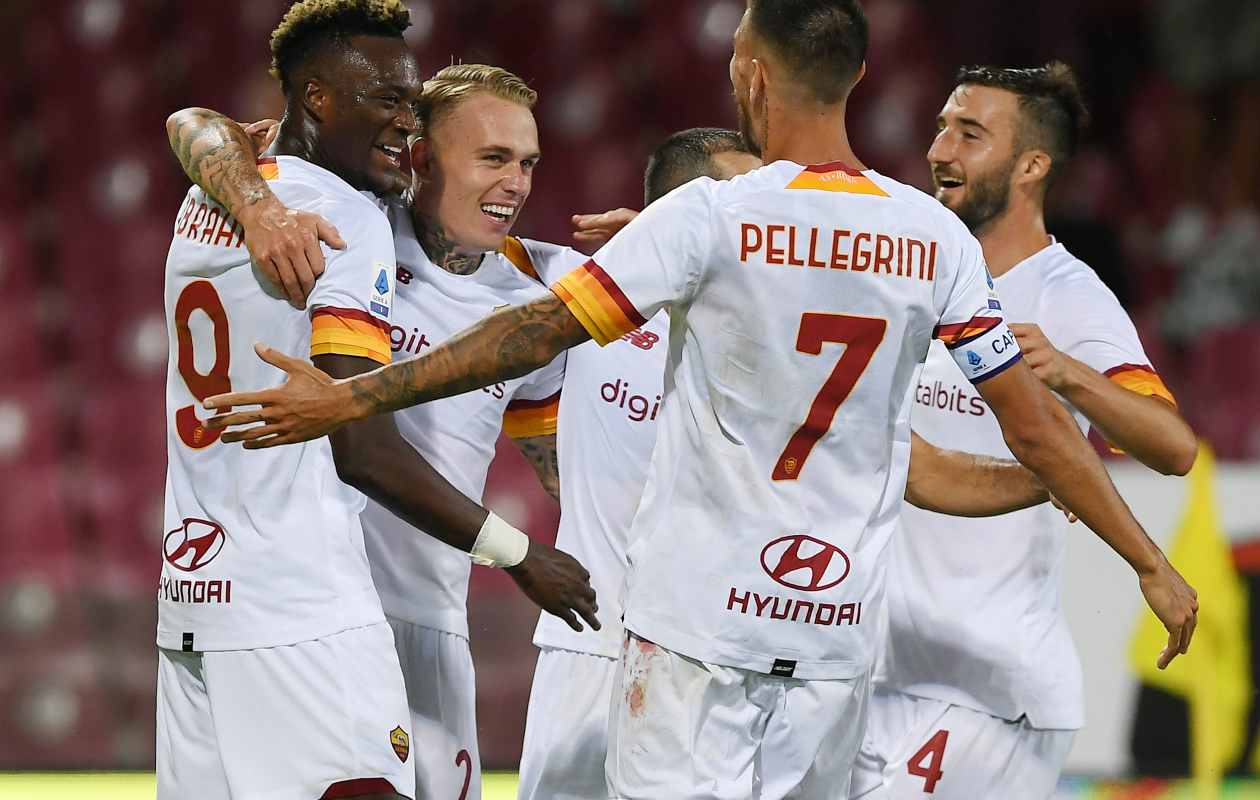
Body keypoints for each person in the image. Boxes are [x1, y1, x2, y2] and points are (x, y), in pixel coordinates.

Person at [201, 2, 1198, 796]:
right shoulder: (929, 239)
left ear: (753, 76)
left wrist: (356, 397)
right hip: (833, 644)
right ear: (857, 77)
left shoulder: (710, 219)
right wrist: (1150, 564)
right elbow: (1036, 425)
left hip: (697, 641)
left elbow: (535, 331)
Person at [518, 125, 1069, 799]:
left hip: (727, 651)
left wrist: (1050, 478)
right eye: (747, 191)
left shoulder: (782, 338)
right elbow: (472, 301)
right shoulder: (577, 293)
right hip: (596, 644)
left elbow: (922, 470)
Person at [165, 64, 599, 800]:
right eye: (492, 158)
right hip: (312, 612)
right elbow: (192, 123)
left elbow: (563, 471)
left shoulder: (538, 302)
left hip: (428, 624)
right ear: (420, 156)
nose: (517, 184)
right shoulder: (345, 225)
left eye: (528, 164)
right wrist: (255, 202)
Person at [849, 62, 1198, 799]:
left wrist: (1067, 372)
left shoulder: (1067, 295)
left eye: (969, 134)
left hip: (991, 689)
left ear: (1032, 165)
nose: (940, 150)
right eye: (941, 127)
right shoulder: (915, 270)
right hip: (881, 668)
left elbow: (1173, 447)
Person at [158, 2, 422, 797]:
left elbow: (192, 121)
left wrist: (255, 197)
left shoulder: (209, 196)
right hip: (302, 609)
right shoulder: (343, 220)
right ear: (317, 97)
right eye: (386, 99)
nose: (408, 121)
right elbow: (358, 441)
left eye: (414, 103)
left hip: (194, 598)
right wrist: (515, 552)